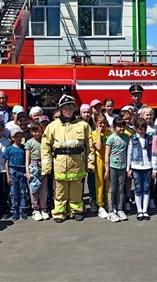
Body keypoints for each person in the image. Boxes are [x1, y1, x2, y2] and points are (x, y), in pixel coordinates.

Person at [41, 95, 95, 223]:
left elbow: (90, 147)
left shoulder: (83, 125)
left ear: (75, 108)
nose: (68, 110)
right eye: (65, 108)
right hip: (60, 164)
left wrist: (91, 164)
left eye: (71, 107)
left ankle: (76, 211)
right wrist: (46, 167)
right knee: (60, 191)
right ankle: (60, 212)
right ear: (60, 109)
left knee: (76, 190)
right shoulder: (52, 126)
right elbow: (45, 147)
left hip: (78, 165)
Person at [104, 118, 130, 223]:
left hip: (122, 167)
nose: (122, 128)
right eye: (119, 126)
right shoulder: (111, 138)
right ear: (114, 127)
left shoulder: (126, 138)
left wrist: (128, 167)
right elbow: (107, 154)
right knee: (112, 188)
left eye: (123, 126)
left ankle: (120, 209)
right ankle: (110, 211)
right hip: (112, 167)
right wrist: (107, 169)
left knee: (120, 188)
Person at [127, 117, 153, 221]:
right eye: (140, 129)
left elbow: (153, 152)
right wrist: (128, 169)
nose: (142, 131)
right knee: (138, 188)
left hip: (147, 166)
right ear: (136, 128)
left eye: (144, 128)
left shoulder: (149, 138)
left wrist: (154, 167)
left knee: (146, 188)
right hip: (136, 167)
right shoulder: (132, 139)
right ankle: (139, 210)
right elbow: (129, 153)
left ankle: (145, 210)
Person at [25, 122, 50, 221]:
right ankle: (35, 209)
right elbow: (27, 158)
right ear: (31, 132)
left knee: (43, 190)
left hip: (43, 165)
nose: (37, 133)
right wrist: (27, 171)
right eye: (34, 131)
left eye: (39, 131)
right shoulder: (29, 142)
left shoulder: (44, 141)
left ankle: (43, 208)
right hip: (33, 166)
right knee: (34, 189)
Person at [92, 114, 112, 219]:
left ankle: (108, 202)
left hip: (108, 160)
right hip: (99, 159)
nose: (102, 125)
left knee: (108, 182)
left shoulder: (109, 133)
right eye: (100, 123)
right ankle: (100, 206)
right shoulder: (94, 134)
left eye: (104, 122)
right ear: (95, 124)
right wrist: (99, 133)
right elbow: (98, 147)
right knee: (99, 182)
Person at [5, 127, 27, 221]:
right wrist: (8, 176)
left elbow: (26, 160)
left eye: (20, 136)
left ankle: (22, 210)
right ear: (12, 138)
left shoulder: (24, 148)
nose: (18, 138)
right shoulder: (9, 149)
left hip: (22, 170)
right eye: (16, 136)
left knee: (22, 192)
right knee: (14, 193)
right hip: (13, 170)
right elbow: (6, 162)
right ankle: (15, 211)